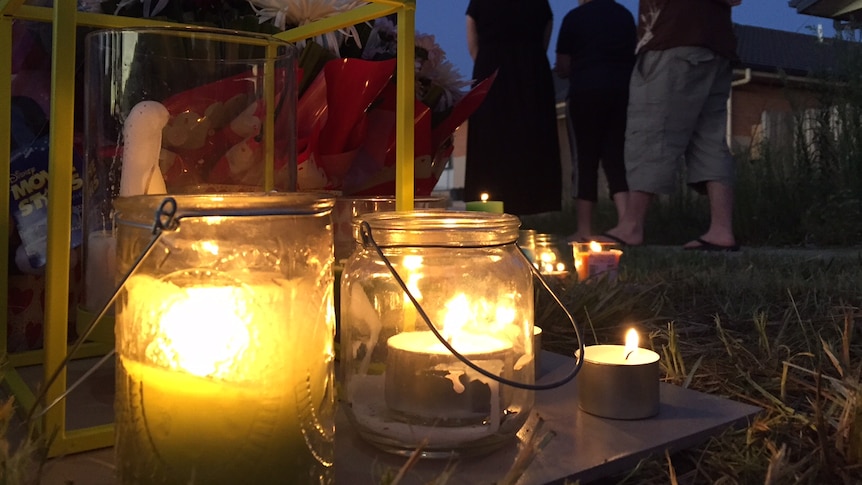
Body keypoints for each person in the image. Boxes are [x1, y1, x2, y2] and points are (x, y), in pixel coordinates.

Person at [603, 0, 742, 251]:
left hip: (674, 38)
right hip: (716, 44)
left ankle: (631, 226)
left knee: (652, 130)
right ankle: (721, 229)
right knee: (709, 137)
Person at [464, 0, 562, 216]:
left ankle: (489, 200)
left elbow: (472, 41)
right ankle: (534, 202)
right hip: (532, 71)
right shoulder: (540, 4)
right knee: (530, 135)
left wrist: (487, 61)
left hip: (491, 69)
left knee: (492, 137)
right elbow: (546, 34)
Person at [555, 0, 636, 242]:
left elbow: (563, 64)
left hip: (584, 93)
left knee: (584, 160)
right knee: (616, 158)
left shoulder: (574, 18)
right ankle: (626, 224)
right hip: (621, 93)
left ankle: (584, 229)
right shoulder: (624, 16)